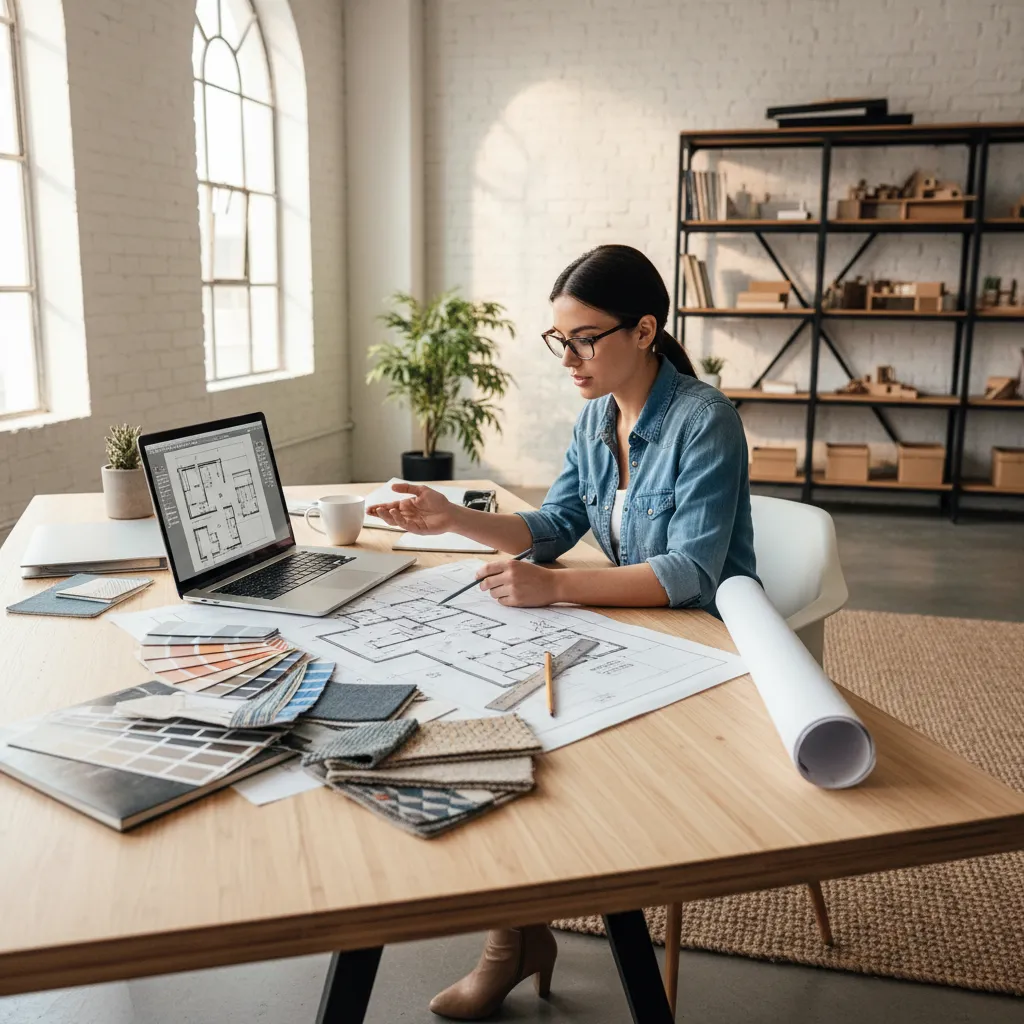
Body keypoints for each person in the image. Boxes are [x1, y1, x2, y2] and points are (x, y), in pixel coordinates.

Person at [368, 243, 759, 1020]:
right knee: (493, 718)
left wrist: (553, 588)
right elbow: (554, 524)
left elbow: (691, 573)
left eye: (585, 339)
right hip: (627, 626)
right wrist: (453, 519)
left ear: (643, 331)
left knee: (549, 745)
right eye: (561, 341)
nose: (569, 360)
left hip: (703, 643)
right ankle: (514, 939)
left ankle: (514, 942)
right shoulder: (594, 419)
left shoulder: (704, 420)